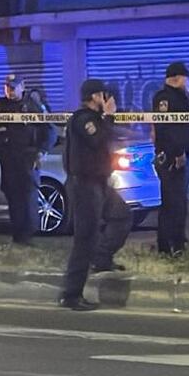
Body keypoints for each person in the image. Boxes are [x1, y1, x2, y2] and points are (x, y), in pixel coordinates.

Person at [59, 79, 132, 312]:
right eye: (103, 96)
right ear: (94, 97)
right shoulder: (83, 119)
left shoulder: (94, 120)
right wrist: (109, 116)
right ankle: (71, 295)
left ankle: (102, 258)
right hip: (85, 186)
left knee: (122, 215)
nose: (107, 100)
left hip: (99, 183)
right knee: (85, 238)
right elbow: (98, 138)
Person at [0, 74, 56, 245]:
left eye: (14, 87)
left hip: (28, 157)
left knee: (28, 195)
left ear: (22, 86)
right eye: (7, 87)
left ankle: (30, 235)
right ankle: (18, 236)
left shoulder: (33, 106)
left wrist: (41, 151)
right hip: (8, 159)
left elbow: (50, 130)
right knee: (12, 196)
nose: (10, 90)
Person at [151, 61, 189, 257]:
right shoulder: (165, 98)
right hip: (172, 159)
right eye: (187, 79)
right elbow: (167, 129)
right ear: (177, 78)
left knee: (178, 202)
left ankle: (176, 241)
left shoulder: (182, 98)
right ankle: (171, 246)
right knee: (173, 204)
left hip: (182, 157)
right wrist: (178, 152)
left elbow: (187, 126)